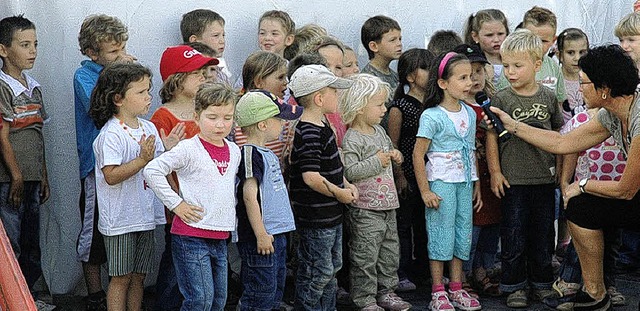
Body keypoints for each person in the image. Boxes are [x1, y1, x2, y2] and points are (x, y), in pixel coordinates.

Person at [486, 44, 640, 311]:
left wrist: (580, 185)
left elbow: (626, 190)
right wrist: (512, 124)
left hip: (632, 192)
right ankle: (595, 293)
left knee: (582, 197)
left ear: (604, 88)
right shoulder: (611, 113)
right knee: (581, 209)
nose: (579, 89)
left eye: (584, 83)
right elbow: (562, 143)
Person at [144, 83, 240, 311]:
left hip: (220, 235)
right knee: (200, 300)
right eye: (212, 117)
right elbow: (152, 170)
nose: (220, 124)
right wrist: (176, 204)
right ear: (197, 118)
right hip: (190, 235)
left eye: (227, 117)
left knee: (218, 300)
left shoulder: (234, 150)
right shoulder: (188, 148)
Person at [485, 29, 563, 308]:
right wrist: (495, 171)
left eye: (517, 66)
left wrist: (561, 174)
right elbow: (492, 136)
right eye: (506, 66)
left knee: (543, 234)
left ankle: (542, 283)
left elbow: (559, 133)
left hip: (544, 179)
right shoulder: (501, 99)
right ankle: (514, 285)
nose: (510, 72)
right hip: (513, 180)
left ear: (537, 65)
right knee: (514, 234)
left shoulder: (548, 96)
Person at [73, 13, 137, 311]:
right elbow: (98, 107)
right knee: (93, 234)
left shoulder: (123, 71)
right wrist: (121, 73)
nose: (120, 54)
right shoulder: (84, 75)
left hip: (128, 165)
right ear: (91, 52)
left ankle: (119, 291)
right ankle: (95, 294)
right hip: (96, 168)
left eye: (122, 47)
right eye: (113, 51)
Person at [89, 62, 165, 311]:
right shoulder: (110, 134)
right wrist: (142, 160)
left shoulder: (149, 127)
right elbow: (110, 175)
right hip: (120, 220)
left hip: (144, 216)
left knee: (139, 276)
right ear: (118, 99)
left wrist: (170, 149)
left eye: (148, 90)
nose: (148, 97)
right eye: (141, 92)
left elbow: (159, 165)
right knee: (120, 278)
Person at [413, 51, 482, 311]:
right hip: (440, 182)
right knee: (441, 231)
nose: (469, 82)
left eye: (472, 76)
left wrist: (476, 184)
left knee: (462, 232)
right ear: (443, 83)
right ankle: (437, 290)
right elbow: (418, 155)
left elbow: (471, 149)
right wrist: (425, 190)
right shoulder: (432, 116)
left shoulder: (470, 113)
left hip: (464, 182)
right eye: (462, 77)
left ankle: (456, 286)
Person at [151, 44, 218, 311]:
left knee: (203, 265)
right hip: (180, 208)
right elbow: (159, 166)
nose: (204, 77)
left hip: (207, 205)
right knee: (176, 265)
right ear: (176, 80)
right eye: (196, 73)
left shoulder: (205, 114)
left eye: (204, 71)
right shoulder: (162, 117)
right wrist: (174, 202)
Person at [340, 73, 412, 311]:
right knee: (365, 254)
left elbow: (389, 152)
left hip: (388, 205)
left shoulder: (379, 132)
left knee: (390, 252)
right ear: (360, 106)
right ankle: (364, 297)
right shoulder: (353, 138)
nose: (384, 109)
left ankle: (387, 291)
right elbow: (350, 171)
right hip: (365, 209)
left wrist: (395, 156)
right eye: (379, 104)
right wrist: (377, 161)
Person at [287, 64, 357, 311]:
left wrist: (346, 184)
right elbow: (311, 177)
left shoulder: (322, 125)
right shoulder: (308, 132)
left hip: (331, 215)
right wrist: (340, 193)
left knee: (331, 268)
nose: (337, 96)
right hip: (316, 218)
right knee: (318, 271)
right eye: (333, 92)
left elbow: (332, 166)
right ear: (319, 98)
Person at [0, 14, 55, 310]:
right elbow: (3, 136)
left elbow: (37, 134)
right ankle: (11, 299)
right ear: (3, 50)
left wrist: (43, 175)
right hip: (10, 179)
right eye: (24, 44)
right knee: (11, 241)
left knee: (31, 240)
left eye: (35, 44)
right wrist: (17, 176)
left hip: (32, 177)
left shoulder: (33, 87)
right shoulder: (3, 87)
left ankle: (29, 297)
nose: (32, 50)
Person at [234, 90, 302, 311]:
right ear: (263, 125)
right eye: (279, 119)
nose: (283, 124)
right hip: (261, 237)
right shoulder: (249, 153)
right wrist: (261, 234)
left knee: (273, 290)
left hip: (276, 234)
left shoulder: (266, 153)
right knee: (259, 293)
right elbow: (249, 195)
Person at [452, 43, 501, 298]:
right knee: (471, 229)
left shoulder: (492, 103)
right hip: (469, 179)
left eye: (479, 71)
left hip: (493, 178)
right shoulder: (457, 108)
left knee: (492, 226)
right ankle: (462, 274)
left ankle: (484, 270)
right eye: (467, 74)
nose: (475, 79)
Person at [387, 48, 434, 292]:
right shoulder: (400, 107)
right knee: (404, 226)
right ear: (410, 77)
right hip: (408, 173)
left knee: (426, 225)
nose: (431, 72)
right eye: (425, 68)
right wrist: (399, 176)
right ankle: (401, 271)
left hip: (432, 174)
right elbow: (393, 144)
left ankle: (426, 270)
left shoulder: (435, 105)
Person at [498, 6, 568, 110]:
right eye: (532, 39)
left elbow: (559, 102)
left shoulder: (554, 67)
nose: (538, 45)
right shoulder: (511, 68)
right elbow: (501, 101)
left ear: (553, 40)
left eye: (543, 41)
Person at [234, 51, 289, 158]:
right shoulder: (236, 116)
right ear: (259, 82)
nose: (286, 82)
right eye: (280, 77)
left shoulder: (285, 113)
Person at [360, 15, 403, 129]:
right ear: (374, 46)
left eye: (400, 39)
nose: (399, 44)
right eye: (392, 40)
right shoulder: (368, 80)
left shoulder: (395, 76)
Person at [180, 9, 232, 85]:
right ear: (194, 40)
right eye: (216, 36)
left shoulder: (220, 64)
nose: (222, 41)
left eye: (223, 35)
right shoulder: (189, 72)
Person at [463, 9, 510, 84]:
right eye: (489, 35)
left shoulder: (514, 59)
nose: (496, 40)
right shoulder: (472, 63)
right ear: (475, 36)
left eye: (500, 34)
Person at [556, 28, 589, 123]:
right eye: (571, 53)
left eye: (582, 52)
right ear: (559, 55)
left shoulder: (591, 79)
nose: (577, 58)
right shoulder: (556, 80)